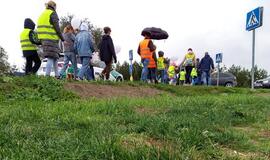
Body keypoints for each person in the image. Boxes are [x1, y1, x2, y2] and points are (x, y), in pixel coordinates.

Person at [37, 1, 64, 78]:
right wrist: (62, 39)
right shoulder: (52, 13)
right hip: (51, 38)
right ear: (54, 6)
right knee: (51, 57)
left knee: (55, 56)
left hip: (43, 39)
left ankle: (57, 75)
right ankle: (47, 76)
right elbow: (57, 28)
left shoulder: (43, 14)